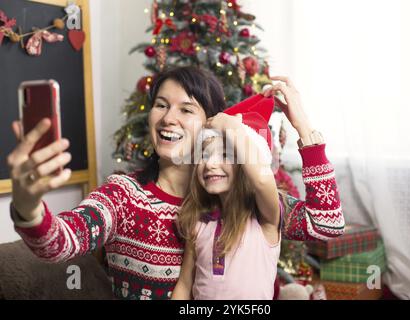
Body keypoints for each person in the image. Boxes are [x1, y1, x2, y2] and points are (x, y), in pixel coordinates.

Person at [7, 66, 345, 300]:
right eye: (161, 105)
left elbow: (327, 225)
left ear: (213, 126)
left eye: (187, 109)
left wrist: (303, 128)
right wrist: (27, 205)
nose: (168, 118)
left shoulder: (247, 200)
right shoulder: (125, 196)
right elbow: (61, 244)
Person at [172, 95, 284, 299]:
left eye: (225, 155)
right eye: (204, 155)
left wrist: (228, 125)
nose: (210, 164)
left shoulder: (264, 219)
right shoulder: (199, 224)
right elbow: (185, 283)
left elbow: (261, 179)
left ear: (245, 165)